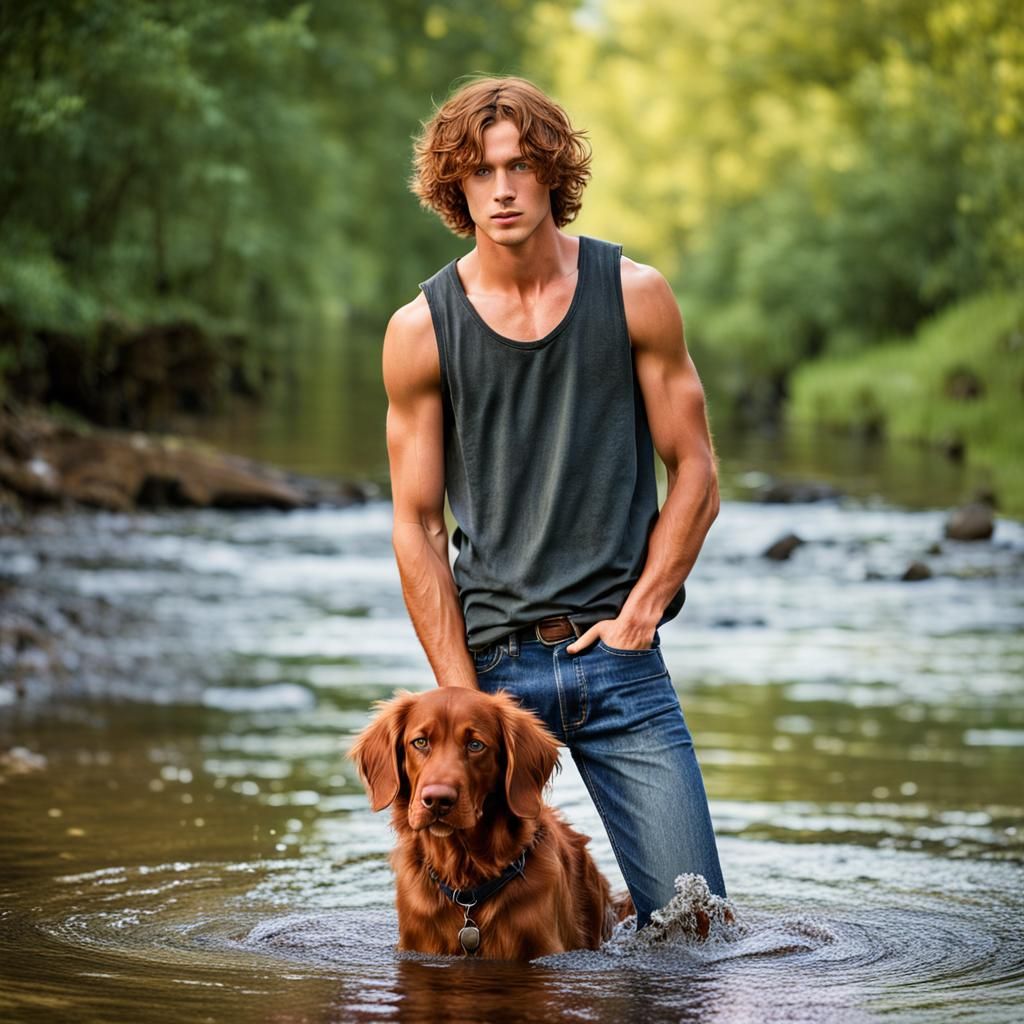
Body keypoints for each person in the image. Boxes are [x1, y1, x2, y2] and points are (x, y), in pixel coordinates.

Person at [382, 75, 725, 926]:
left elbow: (696, 470)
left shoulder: (635, 293)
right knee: (469, 929)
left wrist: (642, 611)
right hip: (495, 672)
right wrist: (465, 705)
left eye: (520, 166)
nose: (502, 188)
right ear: (454, 187)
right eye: (480, 171)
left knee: (695, 928)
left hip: (618, 659)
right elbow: (418, 523)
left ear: (552, 175)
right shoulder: (421, 329)